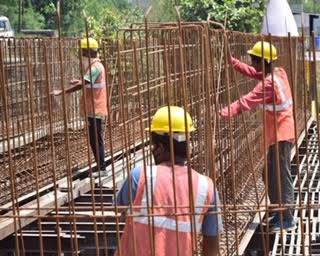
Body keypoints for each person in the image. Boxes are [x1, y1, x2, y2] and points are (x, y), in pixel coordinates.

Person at [115, 106, 223, 256]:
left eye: (153, 145)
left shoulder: (140, 176)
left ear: (160, 147)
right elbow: (211, 246)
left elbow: (118, 209)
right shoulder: (206, 187)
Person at [220, 41, 296, 232]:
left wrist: (223, 113)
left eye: (254, 60)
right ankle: (279, 210)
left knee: (280, 176)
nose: (252, 63)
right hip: (278, 133)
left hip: (281, 134)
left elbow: (247, 101)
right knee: (268, 174)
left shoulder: (269, 83)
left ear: (264, 62)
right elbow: (253, 73)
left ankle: (287, 218)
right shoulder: (279, 72)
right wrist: (233, 62)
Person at [51, 38, 108, 178]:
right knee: (95, 138)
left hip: (95, 109)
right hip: (94, 108)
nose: (81, 55)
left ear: (89, 52)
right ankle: (101, 167)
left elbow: (81, 85)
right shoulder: (96, 66)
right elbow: (86, 82)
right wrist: (80, 81)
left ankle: (102, 168)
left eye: (82, 52)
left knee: (95, 139)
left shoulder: (95, 67)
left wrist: (62, 91)